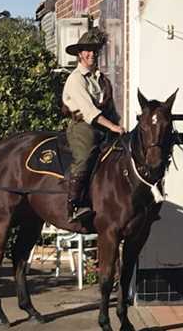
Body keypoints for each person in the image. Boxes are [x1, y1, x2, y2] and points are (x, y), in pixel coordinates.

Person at [62, 29, 124, 222]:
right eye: (87, 50)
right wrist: (113, 127)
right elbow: (90, 112)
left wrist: (118, 127)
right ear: (80, 54)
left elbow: (110, 108)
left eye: (95, 50)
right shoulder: (75, 79)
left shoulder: (101, 79)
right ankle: (75, 205)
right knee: (85, 155)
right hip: (83, 126)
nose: (92, 54)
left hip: (103, 125)